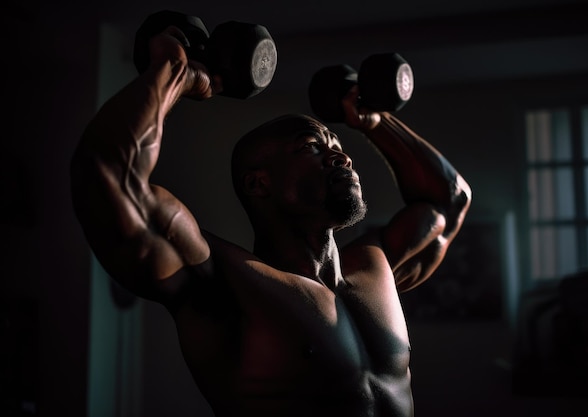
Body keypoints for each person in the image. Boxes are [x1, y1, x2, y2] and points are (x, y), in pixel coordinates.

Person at [70, 23, 471, 417]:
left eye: (338, 147)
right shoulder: (225, 283)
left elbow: (448, 201)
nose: (341, 157)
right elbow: (108, 177)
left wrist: (377, 123)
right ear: (259, 184)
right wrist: (175, 73)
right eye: (312, 147)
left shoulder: (374, 267)